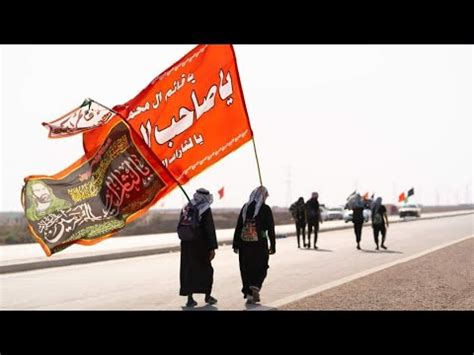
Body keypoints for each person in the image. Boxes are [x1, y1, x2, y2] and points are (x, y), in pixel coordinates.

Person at [233, 186, 276, 304]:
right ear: (263, 196)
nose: (266, 198)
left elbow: (239, 226)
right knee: (262, 265)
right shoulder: (266, 209)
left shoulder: (245, 207)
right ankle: (255, 286)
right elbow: (270, 229)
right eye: (266, 195)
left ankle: (249, 294)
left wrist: (235, 244)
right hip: (260, 244)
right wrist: (273, 245)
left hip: (244, 244)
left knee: (246, 268)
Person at [179, 188, 218, 307]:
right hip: (201, 245)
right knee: (206, 270)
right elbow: (209, 229)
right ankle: (207, 296)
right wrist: (212, 247)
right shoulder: (205, 208)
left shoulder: (187, 206)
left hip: (186, 244)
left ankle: (190, 298)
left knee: (188, 270)